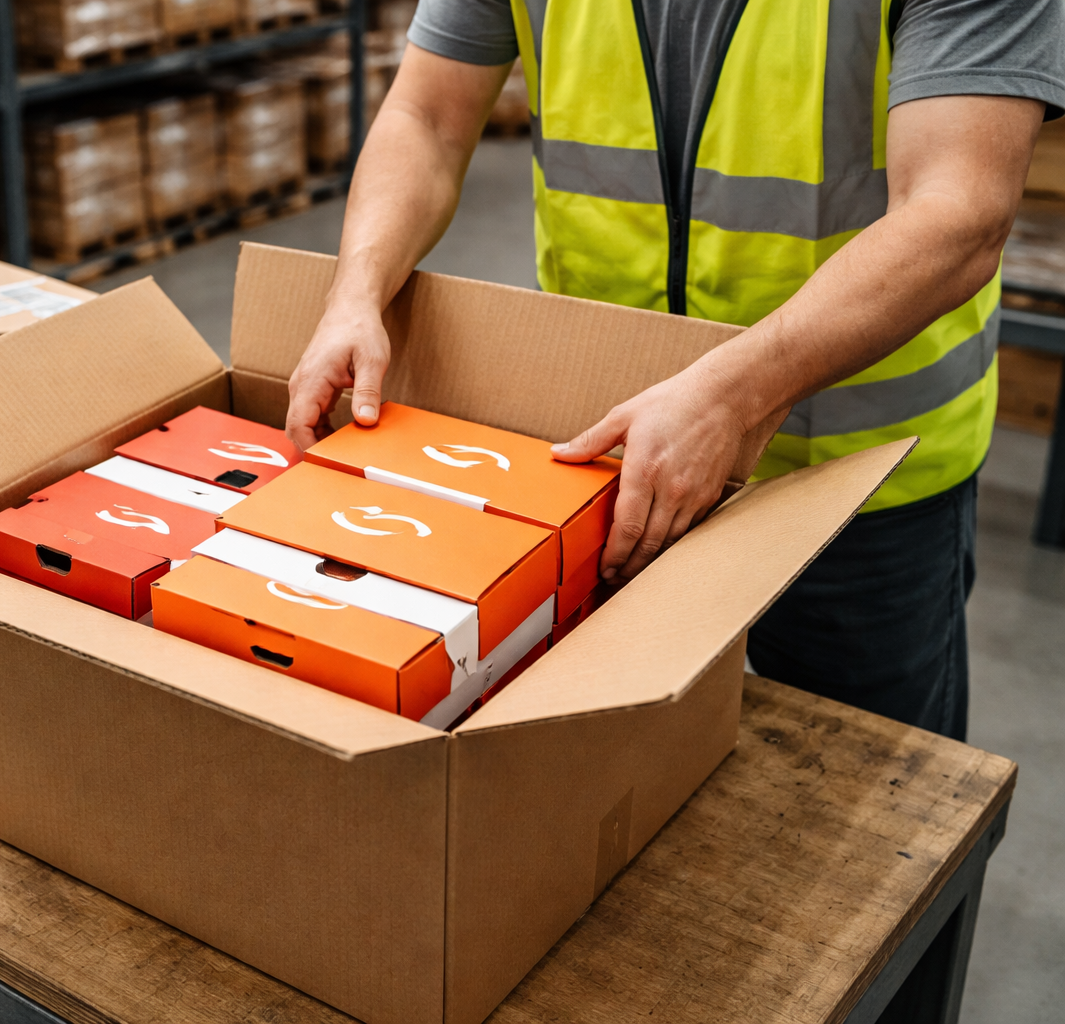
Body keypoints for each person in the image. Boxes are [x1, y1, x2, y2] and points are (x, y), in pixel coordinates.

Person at [283, 0, 1065, 741]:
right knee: (618, 788)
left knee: (876, 810)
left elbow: (958, 211)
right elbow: (427, 116)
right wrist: (358, 290)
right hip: (616, 457)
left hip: (859, 485)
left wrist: (729, 398)